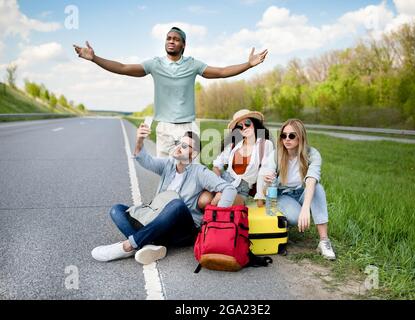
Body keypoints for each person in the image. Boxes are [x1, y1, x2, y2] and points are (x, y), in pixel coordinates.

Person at [74, 27, 268, 157]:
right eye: (168, 38)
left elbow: (222, 72)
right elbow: (123, 67)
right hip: (165, 128)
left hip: (188, 127)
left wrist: (248, 65)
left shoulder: (193, 64)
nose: (171, 41)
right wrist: (94, 58)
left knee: (189, 174)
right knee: (167, 173)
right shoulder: (155, 64)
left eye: (176, 39)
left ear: (183, 44)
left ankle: (188, 214)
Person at [91, 126, 237, 264]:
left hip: (183, 230)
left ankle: (129, 246)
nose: (179, 147)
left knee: (176, 204)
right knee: (117, 210)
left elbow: (229, 189)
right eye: (179, 143)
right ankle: (148, 245)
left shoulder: (200, 172)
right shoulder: (168, 165)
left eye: (185, 146)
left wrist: (218, 220)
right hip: (158, 220)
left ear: (194, 154)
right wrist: (140, 141)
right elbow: (144, 160)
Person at [258, 119, 336, 260]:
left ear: (300, 137)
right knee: (294, 217)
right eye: (284, 135)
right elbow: (266, 190)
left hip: (302, 193)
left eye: (292, 136)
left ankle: (324, 241)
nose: (287, 139)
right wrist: (269, 181)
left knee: (317, 188)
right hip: (282, 195)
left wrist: (306, 208)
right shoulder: (276, 155)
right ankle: (284, 226)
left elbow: (312, 179)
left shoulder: (312, 154)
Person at [198, 109, 274, 209]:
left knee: (221, 198)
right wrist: (218, 185)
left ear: (254, 123)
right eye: (240, 126)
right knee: (203, 201)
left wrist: (260, 198)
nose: (244, 127)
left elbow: (264, 172)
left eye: (247, 123)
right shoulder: (234, 144)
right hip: (223, 182)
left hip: (242, 190)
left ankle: (211, 218)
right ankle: (207, 218)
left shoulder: (265, 145)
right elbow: (217, 166)